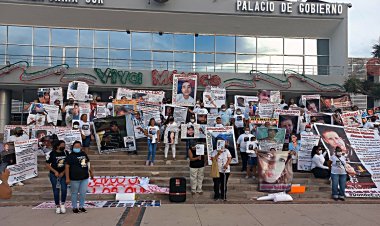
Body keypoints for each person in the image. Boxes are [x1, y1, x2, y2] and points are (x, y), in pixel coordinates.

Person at [65, 141, 94, 213]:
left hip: (84, 177)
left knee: (83, 193)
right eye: (75, 147)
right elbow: (67, 167)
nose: (77, 148)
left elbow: (88, 163)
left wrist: (91, 172)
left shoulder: (84, 154)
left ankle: (81, 206)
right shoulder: (70, 156)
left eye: (78, 147)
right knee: (74, 193)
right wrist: (67, 178)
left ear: (81, 147)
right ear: (73, 147)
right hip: (74, 178)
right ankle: (74, 207)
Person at [46, 140, 69, 214]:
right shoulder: (51, 153)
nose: (63, 146)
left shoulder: (66, 153)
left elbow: (68, 164)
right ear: (57, 146)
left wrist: (63, 172)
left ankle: (62, 204)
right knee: (56, 190)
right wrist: (55, 171)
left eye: (64, 145)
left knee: (64, 189)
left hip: (63, 174)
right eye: (62, 145)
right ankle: (57, 205)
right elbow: (47, 164)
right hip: (54, 174)